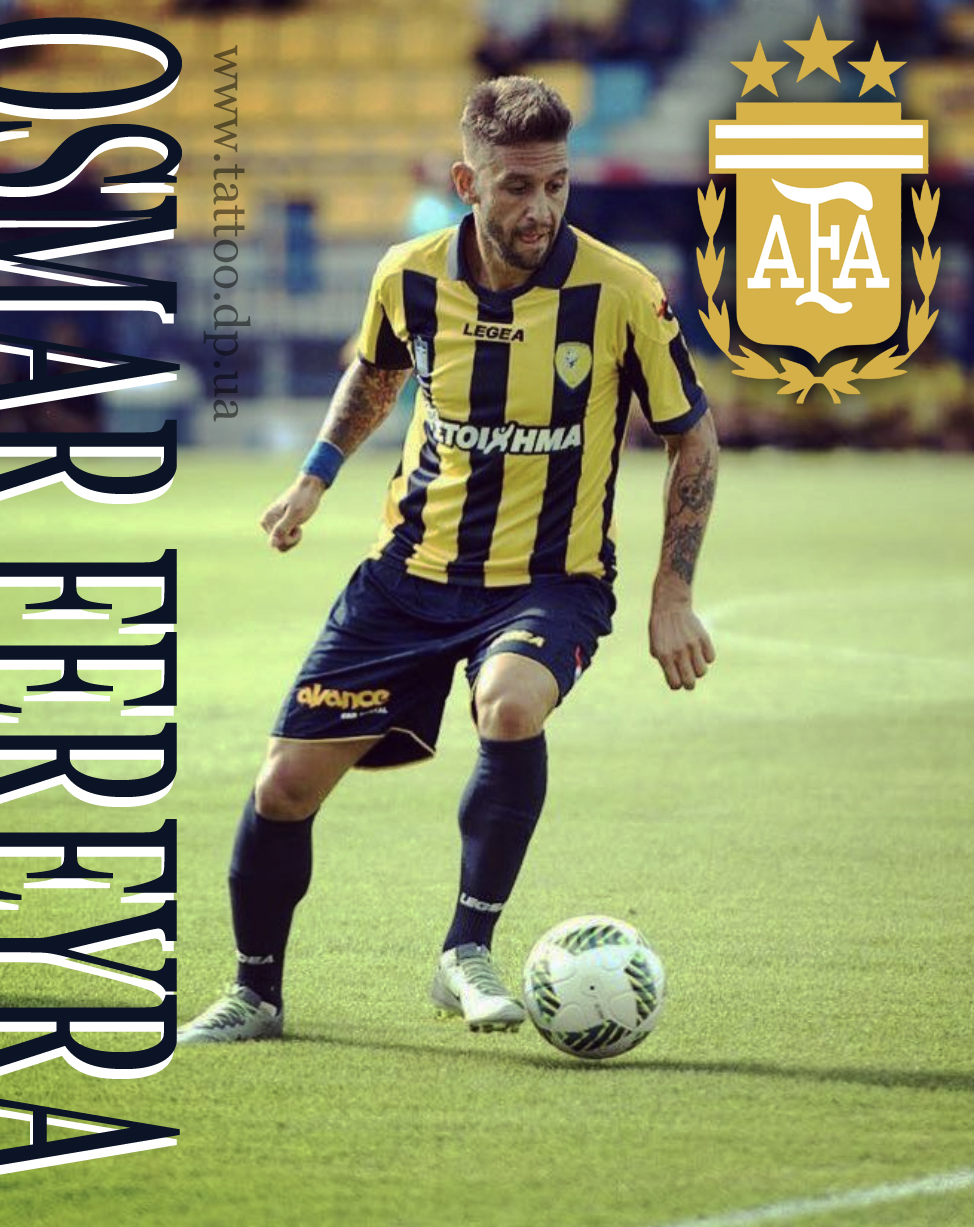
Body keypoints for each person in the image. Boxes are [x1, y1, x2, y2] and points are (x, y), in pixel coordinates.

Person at [179, 75, 718, 1044]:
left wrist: (670, 592)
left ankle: (464, 949)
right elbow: (375, 372)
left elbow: (694, 437)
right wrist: (312, 479)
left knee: (508, 705)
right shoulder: (410, 274)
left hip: (549, 582)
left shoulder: (622, 293)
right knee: (282, 787)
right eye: (516, 186)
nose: (540, 207)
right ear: (467, 183)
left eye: (555, 183)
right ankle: (256, 994)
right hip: (408, 576)